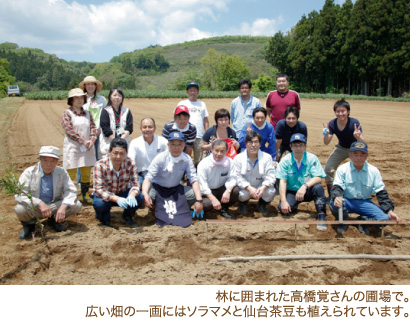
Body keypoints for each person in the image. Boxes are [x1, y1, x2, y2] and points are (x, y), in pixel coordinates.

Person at [330, 141, 400, 235]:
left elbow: (381, 192)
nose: (358, 158)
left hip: (365, 202)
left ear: (366, 156)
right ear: (350, 155)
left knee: (385, 218)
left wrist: (389, 210)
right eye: (355, 154)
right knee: (334, 203)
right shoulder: (342, 169)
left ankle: (363, 221)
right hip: (347, 201)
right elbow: (337, 186)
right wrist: (337, 197)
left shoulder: (373, 171)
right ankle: (343, 221)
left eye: (362, 155)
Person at [14, 146, 82, 239]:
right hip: (36, 207)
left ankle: (54, 220)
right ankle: (29, 225)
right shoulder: (29, 172)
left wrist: (63, 207)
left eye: (53, 161)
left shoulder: (61, 172)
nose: (48, 164)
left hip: (54, 206)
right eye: (45, 160)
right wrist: (39, 203)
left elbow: (70, 190)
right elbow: (20, 194)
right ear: (39, 159)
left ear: (57, 161)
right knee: (20, 209)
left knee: (77, 205)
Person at [142, 131, 203, 228]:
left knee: (193, 194)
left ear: (184, 146)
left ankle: (180, 209)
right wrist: (145, 194)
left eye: (179, 144)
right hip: (159, 188)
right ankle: (154, 208)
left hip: (175, 188)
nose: (176, 147)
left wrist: (199, 200)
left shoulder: (186, 159)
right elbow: (148, 178)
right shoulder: (160, 158)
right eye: (173, 144)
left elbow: (194, 179)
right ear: (168, 145)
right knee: (149, 195)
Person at [276, 133, 327, 230]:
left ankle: (321, 215)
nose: (298, 148)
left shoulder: (312, 158)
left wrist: (304, 186)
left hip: (308, 190)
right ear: (290, 146)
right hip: (292, 191)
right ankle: (293, 207)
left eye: (301, 145)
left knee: (318, 188)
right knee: (284, 209)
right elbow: (283, 181)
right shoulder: (285, 160)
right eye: (295, 145)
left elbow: (318, 178)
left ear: (305, 146)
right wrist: (283, 201)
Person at [92, 138, 144, 228]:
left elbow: (135, 184)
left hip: (122, 192)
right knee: (100, 204)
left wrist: (132, 195)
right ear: (109, 151)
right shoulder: (100, 165)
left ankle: (127, 216)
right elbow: (98, 189)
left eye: (122, 153)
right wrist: (116, 199)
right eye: (115, 153)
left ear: (126, 153)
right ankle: (104, 219)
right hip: (106, 196)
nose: (118, 157)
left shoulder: (130, 163)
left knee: (139, 197)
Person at [61, 88, 97, 203]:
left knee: (86, 171)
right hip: (73, 146)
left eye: (81, 98)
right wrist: (83, 140)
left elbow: (93, 127)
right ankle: (70, 195)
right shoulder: (67, 113)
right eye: (76, 98)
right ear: (71, 100)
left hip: (87, 147)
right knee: (70, 171)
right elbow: (69, 130)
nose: (79, 100)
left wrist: (91, 140)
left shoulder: (88, 113)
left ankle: (85, 194)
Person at [323, 99, 364, 196]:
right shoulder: (332, 123)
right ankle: (332, 194)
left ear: (348, 112)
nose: (340, 114)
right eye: (338, 111)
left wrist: (358, 137)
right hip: (341, 148)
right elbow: (326, 142)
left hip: (355, 148)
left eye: (343, 111)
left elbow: (362, 143)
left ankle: (362, 192)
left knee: (362, 169)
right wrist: (326, 134)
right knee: (328, 168)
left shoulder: (354, 123)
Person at [232, 131, 276, 217]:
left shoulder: (267, 157)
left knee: (271, 191)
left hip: (260, 186)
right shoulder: (238, 158)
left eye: (256, 142)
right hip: (245, 188)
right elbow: (236, 176)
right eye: (250, 142)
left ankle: (262, 204)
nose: (253, 145)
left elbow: (271, 176)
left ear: (260, 144)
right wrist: (249, 188)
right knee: (241, 194)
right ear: (246, 144)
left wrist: (263, 188)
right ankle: (243, 204)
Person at [197, 139, 239, 219]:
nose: (219, 154)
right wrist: (212, 199)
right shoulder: (203, 164)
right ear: (211, 150)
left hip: (221, 189)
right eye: (216, 150)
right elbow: (203, 185)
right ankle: (210, 209)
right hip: (207, 192)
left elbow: (233, 178)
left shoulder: (230, 161)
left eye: (222, 151)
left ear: (226, 151)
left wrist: (228, 191)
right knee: (207, 204)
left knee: (235, 191)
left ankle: (224, 207)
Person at [128, 118, 168, 186]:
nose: (147, 129)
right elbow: (131, 161)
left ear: (155, 128)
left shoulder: (163, 141)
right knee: (132, 185)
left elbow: (170, 158)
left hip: (159, 175)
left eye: (150, 127)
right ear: (141, 129)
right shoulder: (134, 143)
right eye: (144, 127)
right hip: (141, 175)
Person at [177, 82, 209, 166]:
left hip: (199, 135)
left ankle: (197, 173)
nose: (193, 92)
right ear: (187, 92)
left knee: (198, 159)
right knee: (184, 157)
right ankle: (184, 176)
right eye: (191, 90)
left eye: (195, 90)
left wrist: (207, 133)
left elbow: (205, 119)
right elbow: (176, 118)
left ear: (198, 92)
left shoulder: (202, 104)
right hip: (185, 134)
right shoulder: (182, 103)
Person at [99, 87, 133, 159]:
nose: (117, 97)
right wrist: (115, 142)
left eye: (119, 95)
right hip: (108, 144)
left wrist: (121, 141)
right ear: (110, 97)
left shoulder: (127, 111)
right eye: (114, 95)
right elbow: (106, 129)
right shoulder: (105, 111)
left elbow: (129, 127)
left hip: (123, 145)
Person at [80, 75, 107, 161]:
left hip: (98, 131)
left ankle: (97, 174)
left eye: (92, 84)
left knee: (98, 155)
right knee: (83, 156)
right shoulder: (80, 99)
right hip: (84, 131)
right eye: (88, 84)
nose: (90, 86)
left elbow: (106, 114)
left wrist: (100, 128)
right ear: (85, 86)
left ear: (96, 86)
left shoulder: (101, 99)